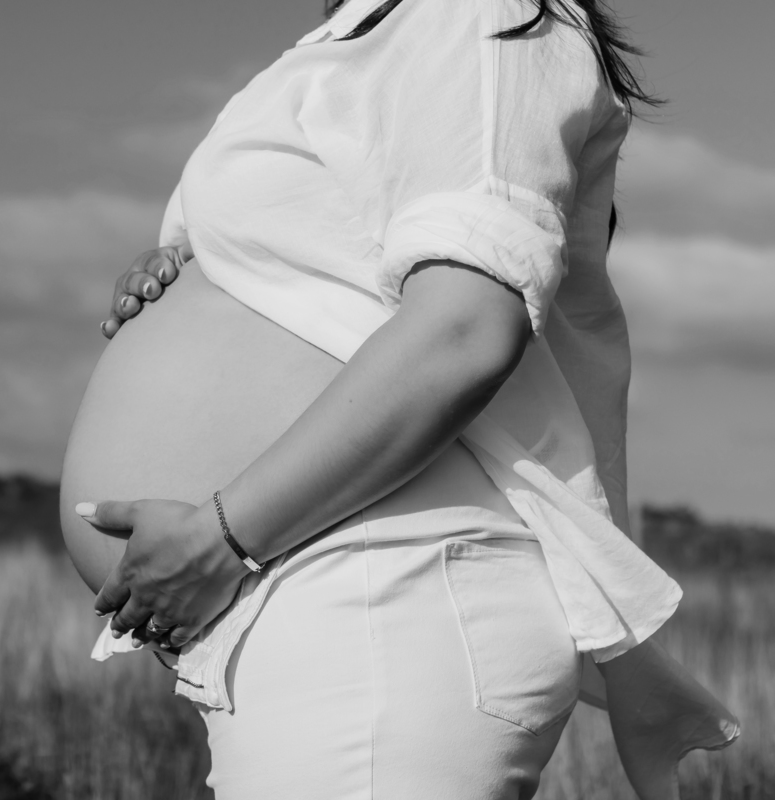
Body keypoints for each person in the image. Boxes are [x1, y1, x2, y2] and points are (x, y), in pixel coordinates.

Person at [58, 0, 739, 797]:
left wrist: (221, 540)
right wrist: (188, 268)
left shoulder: (476, 12)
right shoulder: (358, 40)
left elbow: (466, 327)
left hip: (379, 600)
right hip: (326, 602)